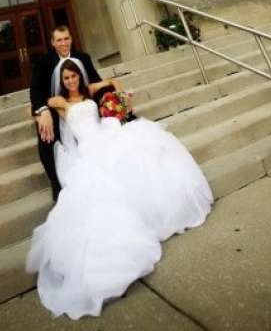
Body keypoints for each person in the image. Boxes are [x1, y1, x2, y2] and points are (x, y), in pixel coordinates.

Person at [26, 59, 213, 319]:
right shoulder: (59, 101)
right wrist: (41, 111)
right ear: (61, 80)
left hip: (105, 134)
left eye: (73, 77)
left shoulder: (89, 91)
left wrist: (120, 96)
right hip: (88, 147)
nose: (70, 81)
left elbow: (112, 84)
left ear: (79, 76)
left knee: (141, 146)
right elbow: (38, 106)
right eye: (66, 78)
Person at [29, 25, 101, 200]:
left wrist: (112, 100)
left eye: (66, 39)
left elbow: (96, 81)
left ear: (71, 39)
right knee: (45, 131)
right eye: (59, 40)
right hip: (56, 107)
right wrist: (43, 111)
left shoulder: (83, 58)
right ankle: (56, 183)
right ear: (53, 43)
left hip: (81, 100)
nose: (64, 43)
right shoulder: (43, 62)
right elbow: (36, 91)